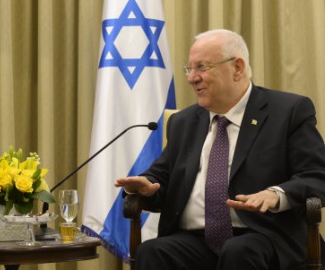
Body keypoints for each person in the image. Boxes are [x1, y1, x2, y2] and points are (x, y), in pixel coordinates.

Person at [115, 29, 325, 270]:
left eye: (202, 67)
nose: (192, 78)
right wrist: (147, 186)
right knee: (153, 251)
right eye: (189, 69)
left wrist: (276, 194)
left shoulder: (288, 111)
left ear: (237, 68)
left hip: (265, 236)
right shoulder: (183, 122)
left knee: (239, 251)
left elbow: (318, 176)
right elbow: (160, 177)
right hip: (196, 240)